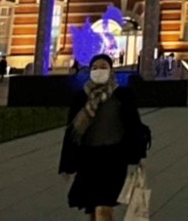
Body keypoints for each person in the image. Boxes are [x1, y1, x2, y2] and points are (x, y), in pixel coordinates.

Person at [59, 54, 150, 221]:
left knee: (103, 208)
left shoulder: (121, 96)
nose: (98, 71)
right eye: (95, 68)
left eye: (103, 67)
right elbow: (71, 133)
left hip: (113, 159)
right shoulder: (82, 98)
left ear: (111, 70)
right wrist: (66, 165)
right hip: (88, 160)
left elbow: (134, 126)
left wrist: (140, 155)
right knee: (92, 211)